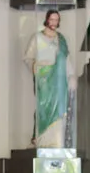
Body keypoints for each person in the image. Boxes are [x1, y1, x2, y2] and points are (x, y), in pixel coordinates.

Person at [24, 9, 76, 148]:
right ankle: (41, 139)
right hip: (44, 80)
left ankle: (56, 140)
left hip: (59, 82)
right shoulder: (37, 38)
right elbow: (28, 58)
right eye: (52, 19)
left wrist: (71, 75)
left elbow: (66, 59)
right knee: (43, 109)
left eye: (56, 20)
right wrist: (38, 68)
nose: (54, 22)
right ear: (47, 20)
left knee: (60, 109)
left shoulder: (61, 39)